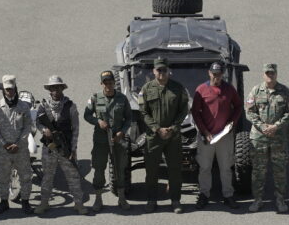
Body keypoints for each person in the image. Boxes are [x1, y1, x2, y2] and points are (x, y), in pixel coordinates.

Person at [140, 57, 189, 213]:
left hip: (173, 137)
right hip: (154, 137)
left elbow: (183, 110)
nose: (161, 73)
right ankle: (151, 200)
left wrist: (173, 128)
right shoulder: (146, 89)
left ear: (169, 71)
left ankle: (175, 201)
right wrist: (157, 129)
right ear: (153, 71)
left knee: (174, 170)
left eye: (164, 70)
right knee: (152, 170)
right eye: (158, 70)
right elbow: (143, 112)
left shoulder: (178, 88)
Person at [245, 62, 289, 213]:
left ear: (276, 74)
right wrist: (262, 126)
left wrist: (276, 126)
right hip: (259, 138)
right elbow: (249, 111)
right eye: (267, 73)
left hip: (278, 138)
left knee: (279, 171)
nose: (270, 75)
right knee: (258, 171)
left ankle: (280, 199)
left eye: (272, 73)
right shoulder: (255, 91)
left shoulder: (285, 92)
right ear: (263, 74)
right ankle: (258, 200)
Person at [191, 61, 242, 210]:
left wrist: (232, 122)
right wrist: (204, 131)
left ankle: (228, 195)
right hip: (207, 136)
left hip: (224, 136)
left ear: (222, 74)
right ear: (209, 73)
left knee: (226, 167)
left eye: (219, 75)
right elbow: (195, 112)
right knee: (205, 167)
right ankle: (204, 195)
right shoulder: (201, 90)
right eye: (214, 74)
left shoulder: (229, 89)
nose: (216, 77)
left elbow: (238, 106)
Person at [34, 76, 88, 215]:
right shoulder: (43, 105)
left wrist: (74, 149)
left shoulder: (70, 106)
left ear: (62, 89)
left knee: (73, 176)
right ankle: (44, 203)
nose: (55, 91)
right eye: (52, 88)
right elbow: (38, 122)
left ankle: (78, 204)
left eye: (58, 87)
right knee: (47, 177)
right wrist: (43, 130)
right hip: (49, 148)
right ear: (49, 90)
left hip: (66, 148)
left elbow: (75, 129)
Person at [83, 70, 132, 212]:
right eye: (105, 82)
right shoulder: (95, 98)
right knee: (99, 169)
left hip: (118, 140)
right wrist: (98, 121)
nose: (108, 85)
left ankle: (121, 198)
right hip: (101, 141)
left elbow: (129, 118)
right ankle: (98, 199)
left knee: (120, 170)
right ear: (101, 84)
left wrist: (122, 132)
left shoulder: (122, 99)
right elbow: (87, 115)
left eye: (110, 82)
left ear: (114, 82)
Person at [0, 75, 35, 215]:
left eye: (12, 89)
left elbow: (28, 126)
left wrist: (18, 143)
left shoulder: (23, 106)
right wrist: (4, 144)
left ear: (16, 88)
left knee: (25, 176)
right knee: (3, 176)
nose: (9, 92)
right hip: (4, 150)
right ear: (3, 90)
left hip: (20, 149)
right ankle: (4, 202)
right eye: (7, 89)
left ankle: (26, 202)